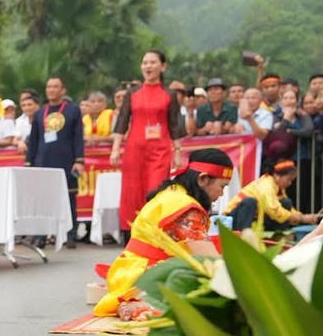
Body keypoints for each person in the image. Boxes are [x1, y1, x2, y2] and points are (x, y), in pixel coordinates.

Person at [94, 149, 232, 320]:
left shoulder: (171, 193)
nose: (222, 194)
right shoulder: (188, 209)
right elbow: (210, 261)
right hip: (145, 279)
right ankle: (143, 304)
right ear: (203, 179)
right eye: (222, 186)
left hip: (125, 271)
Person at [110, 50, 185, 233]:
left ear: (163, 66)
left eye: (152, 62)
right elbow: (122, 121)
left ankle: (155, 232)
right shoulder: (132, 93)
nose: (148, 66)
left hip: (160, 151)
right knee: (132, 192)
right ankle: (131, 234)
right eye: (145, 63)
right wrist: (115, 148)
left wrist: (177, 152)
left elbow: (174, 124)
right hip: (134, 150)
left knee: (156, 190)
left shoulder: (170, 94)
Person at [25, 76, 85, 248]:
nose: (51, 90)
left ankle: (70, 234)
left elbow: (78, 137)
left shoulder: (73, 110)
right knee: (43, 200)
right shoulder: (39, 113)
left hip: (66, 161)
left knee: (69, 198)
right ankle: (42, 235)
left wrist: (79, 160)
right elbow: (34, 141)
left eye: (55, 87)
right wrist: (29, 163)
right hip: (43, 162)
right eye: (49, 87)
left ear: (63, 90)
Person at [225, 160, 319, 232]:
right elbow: (273, 209)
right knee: (250, 202)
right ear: (277, 176)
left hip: (253, 216)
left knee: (286, 203)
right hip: (233, 217)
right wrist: (302, 218)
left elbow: (288, 210)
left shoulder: (278, 188)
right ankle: (243, 237)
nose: (290, 183)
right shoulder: (267, 185)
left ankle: (279, 235)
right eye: (288, 180)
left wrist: (303, 216)